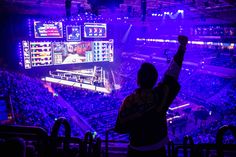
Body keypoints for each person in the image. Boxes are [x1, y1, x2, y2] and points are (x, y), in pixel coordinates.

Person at [114, 35, 189, 157]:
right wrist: (182, 47)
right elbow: (173, 72)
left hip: (135, 150)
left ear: (138, 79)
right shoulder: (161, 94)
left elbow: (120, 128)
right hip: (158, 150)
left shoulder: (129, 101)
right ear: (155, 79)